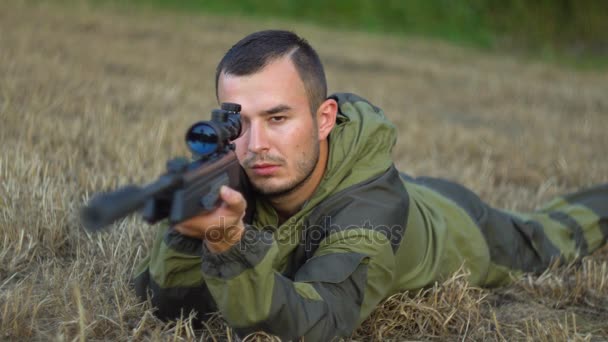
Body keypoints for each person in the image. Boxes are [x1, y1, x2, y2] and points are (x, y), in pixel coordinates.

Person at [134, 30, 608, 341]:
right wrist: (187, 230)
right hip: (390, 191)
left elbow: (319, 321)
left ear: (324, 119)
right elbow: (171, 305)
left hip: (459, 226)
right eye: (239, 123)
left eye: (278, 118)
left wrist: (231, 241)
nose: (255, 144)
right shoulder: (246, 167)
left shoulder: (370, 215)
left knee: (553, 234)